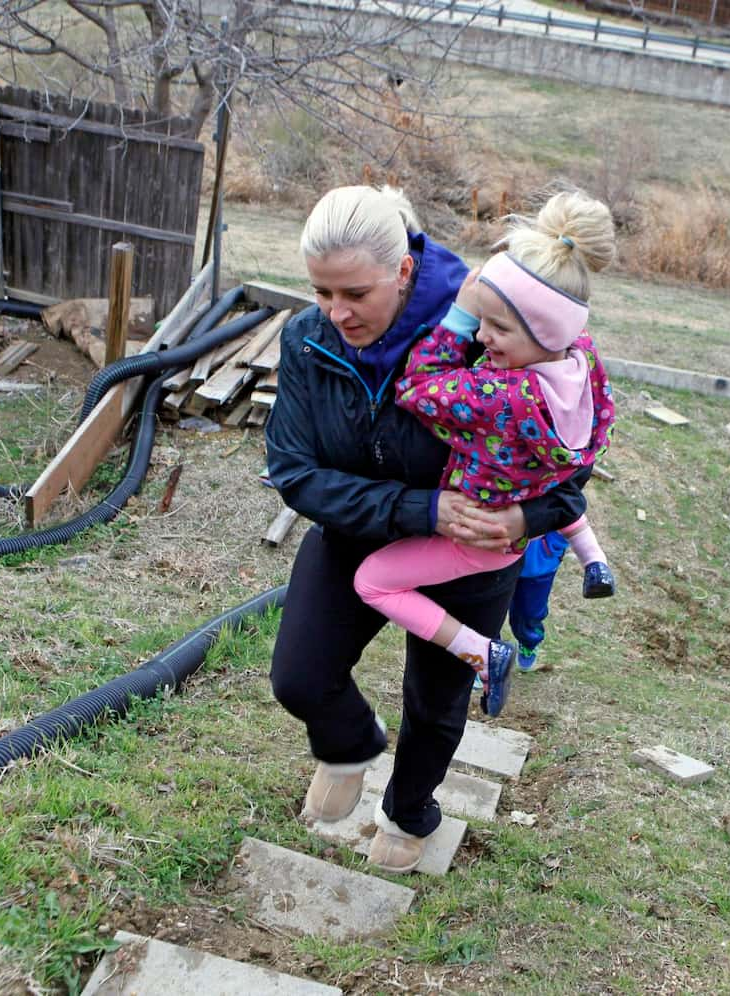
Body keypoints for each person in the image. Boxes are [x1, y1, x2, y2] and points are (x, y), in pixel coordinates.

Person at [265, 185, 590, 875]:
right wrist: (421, 509)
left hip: (467, 553)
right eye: (321, 291)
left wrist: (519, 519)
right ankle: (352, 746)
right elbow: (293, 473)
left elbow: (567, 484)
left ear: (404, 271)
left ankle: (410, 811)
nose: (335, 311)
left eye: (354, 292)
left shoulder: (488, 334)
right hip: (359, 532)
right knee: (299, 676)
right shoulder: (307, 340)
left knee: (437, 701)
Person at [353, 190, 616, 705]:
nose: (483, 335)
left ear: (545, 329)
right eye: (482, 321)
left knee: (373, 582)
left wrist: (459, 314)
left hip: (476, 541)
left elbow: (418, 388)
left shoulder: (500, 396)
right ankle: (593, 556)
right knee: (555, 482)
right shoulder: (584, 364)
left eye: (499, 327)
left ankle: (480, 653)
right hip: (528, 503)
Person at [509, 531, 570, 672]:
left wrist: (553, 545)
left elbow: (570, 513)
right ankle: (487, 657)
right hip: (496, 558)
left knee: (530, 612)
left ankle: (528, 642)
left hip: (540, 564)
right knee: (488, 613)